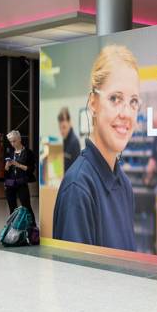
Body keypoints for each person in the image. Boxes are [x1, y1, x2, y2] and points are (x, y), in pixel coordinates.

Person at [53, 45, 141, 251]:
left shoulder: (124, 185)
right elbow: (75, 280)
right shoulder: (79, 188)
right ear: (93, 102)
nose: (126, 113)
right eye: (115, 98)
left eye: (133, 101)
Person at [4, 130, 36, 223]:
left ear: (19, 139)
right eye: (10, 141)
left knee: (26, 206)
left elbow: (31, 169)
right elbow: (6, 170)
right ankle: (13, 229)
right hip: (10, 183)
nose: (12, 143)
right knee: (12, 207)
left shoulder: (28, 152)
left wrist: (18, 164)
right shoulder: (9, 151)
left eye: (14, 141)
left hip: (21, 182)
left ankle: (32, 228)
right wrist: (7, 166)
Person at [57, 107, 81, 172]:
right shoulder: (65, 140)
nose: (61, 131)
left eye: (64, 127)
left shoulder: (74, 142)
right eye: (60, 128)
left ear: (70, 123)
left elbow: (76, 170)